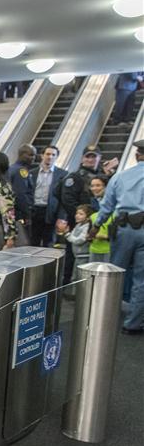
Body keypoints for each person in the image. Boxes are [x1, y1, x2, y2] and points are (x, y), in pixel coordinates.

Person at [88, 139, 144, 334]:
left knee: (114, 274)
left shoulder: (121, 177)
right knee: (141, 280)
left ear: (137, 156)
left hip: (123, 230)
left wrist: (95, 226)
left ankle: (104, 319)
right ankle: (132, 324)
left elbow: (106, 207)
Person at [56, 144, 101, 284]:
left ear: (99, 158)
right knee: (72, 253)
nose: (91, 160)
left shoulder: (101, 176)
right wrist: (83, 217)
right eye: (88, 156)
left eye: (94, 157)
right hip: (78, 222)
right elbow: (67, 199)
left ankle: (87, 284)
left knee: (88, 255)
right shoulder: (75, 177)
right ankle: (66, 283)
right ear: (82, 158)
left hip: (96, 223)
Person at [28, 145, 67, 247]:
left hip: (50, 212)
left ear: (56, 157)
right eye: (48, 154)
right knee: (32, 242)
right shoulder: (32, 173)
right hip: (34, 211)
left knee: (49, 243)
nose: (50, 157)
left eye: (53, 155)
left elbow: (63, 198)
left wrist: (61, 217)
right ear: (42, 155)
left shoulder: (62, 174)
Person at [8, 144, 35, 231]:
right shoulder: (21, 171)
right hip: (19, 214)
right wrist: (27, 215)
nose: (33, 158)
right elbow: (20, 194)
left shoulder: (11, 168)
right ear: (22, 155)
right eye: (31, 155)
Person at [65, 205, 93, 275]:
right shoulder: (78, 225)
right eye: (76, 213)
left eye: (81, 214)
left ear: (88, 217)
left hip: (84, 256)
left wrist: (67, 234)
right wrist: (68, 234)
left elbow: (79, 240)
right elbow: (72, 236)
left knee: (80, 276)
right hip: (77, 256)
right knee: (75, 276)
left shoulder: (87, 227)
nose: (77, 216)